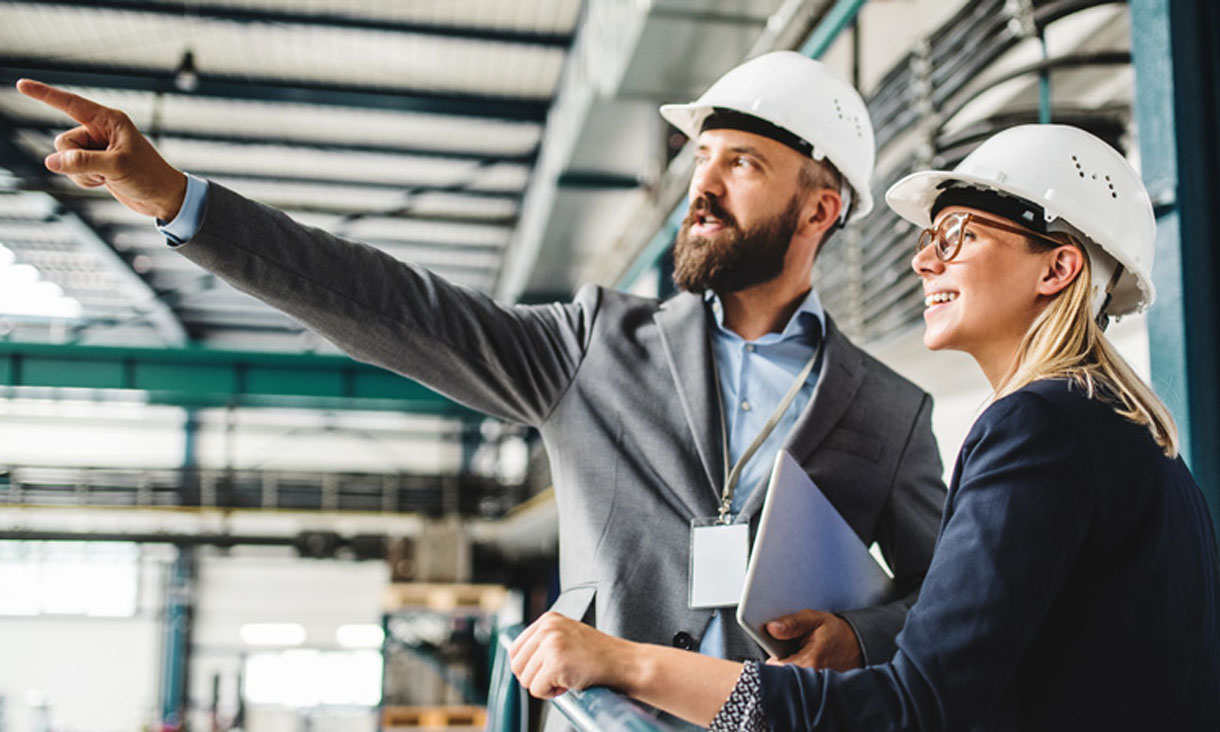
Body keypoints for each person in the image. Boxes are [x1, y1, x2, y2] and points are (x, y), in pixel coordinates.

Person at [14, 51, 945, 679]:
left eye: (741, 163)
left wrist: (863, 636)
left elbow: (950, 594)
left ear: (820, 209)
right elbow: (384, 301)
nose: (700, 186)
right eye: (701, 157)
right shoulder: (590, 345)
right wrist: (179, 201)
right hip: (606, 716)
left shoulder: (888, 407)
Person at [505, 124, 1220, 731]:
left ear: (1057, 268)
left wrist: (628, 662)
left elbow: (909, 709)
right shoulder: (1144, 447)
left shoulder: (1035, 429)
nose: (921, 259)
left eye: (958, 234)